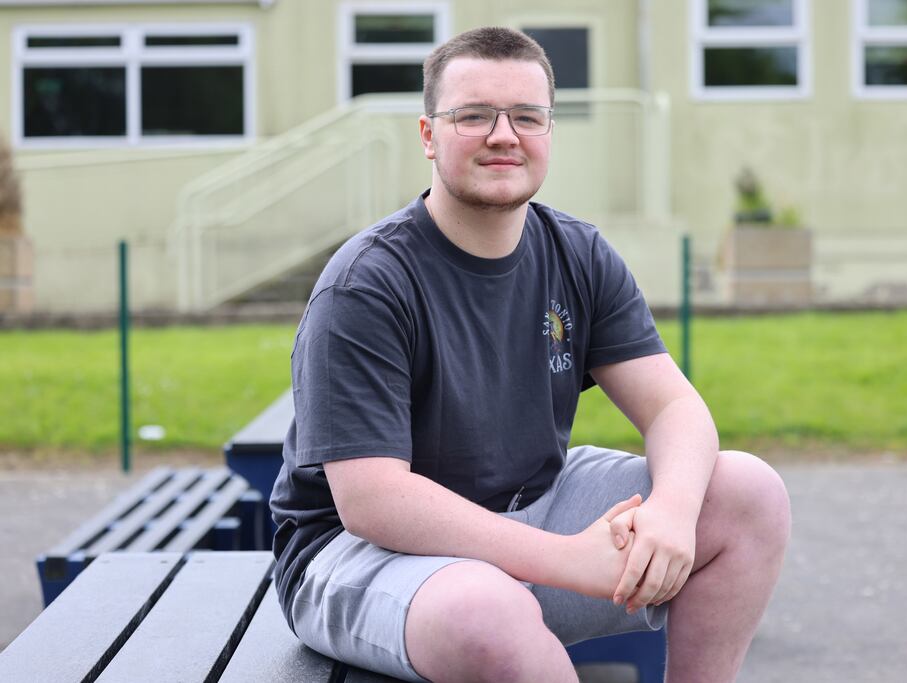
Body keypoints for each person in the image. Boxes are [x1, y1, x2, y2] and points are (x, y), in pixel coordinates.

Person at [270, 26, 791, 683]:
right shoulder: (367, 283)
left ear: (549, 131)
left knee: (748, 494)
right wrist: (568, 558)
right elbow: (372, 499)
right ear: (428, 135)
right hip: (362, 553)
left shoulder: (579, 253)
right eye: (474, 115)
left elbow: (673, 408)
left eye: (526, 116)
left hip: (529, 510)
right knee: (489, 611)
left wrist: (671, 514)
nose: (503, 135)